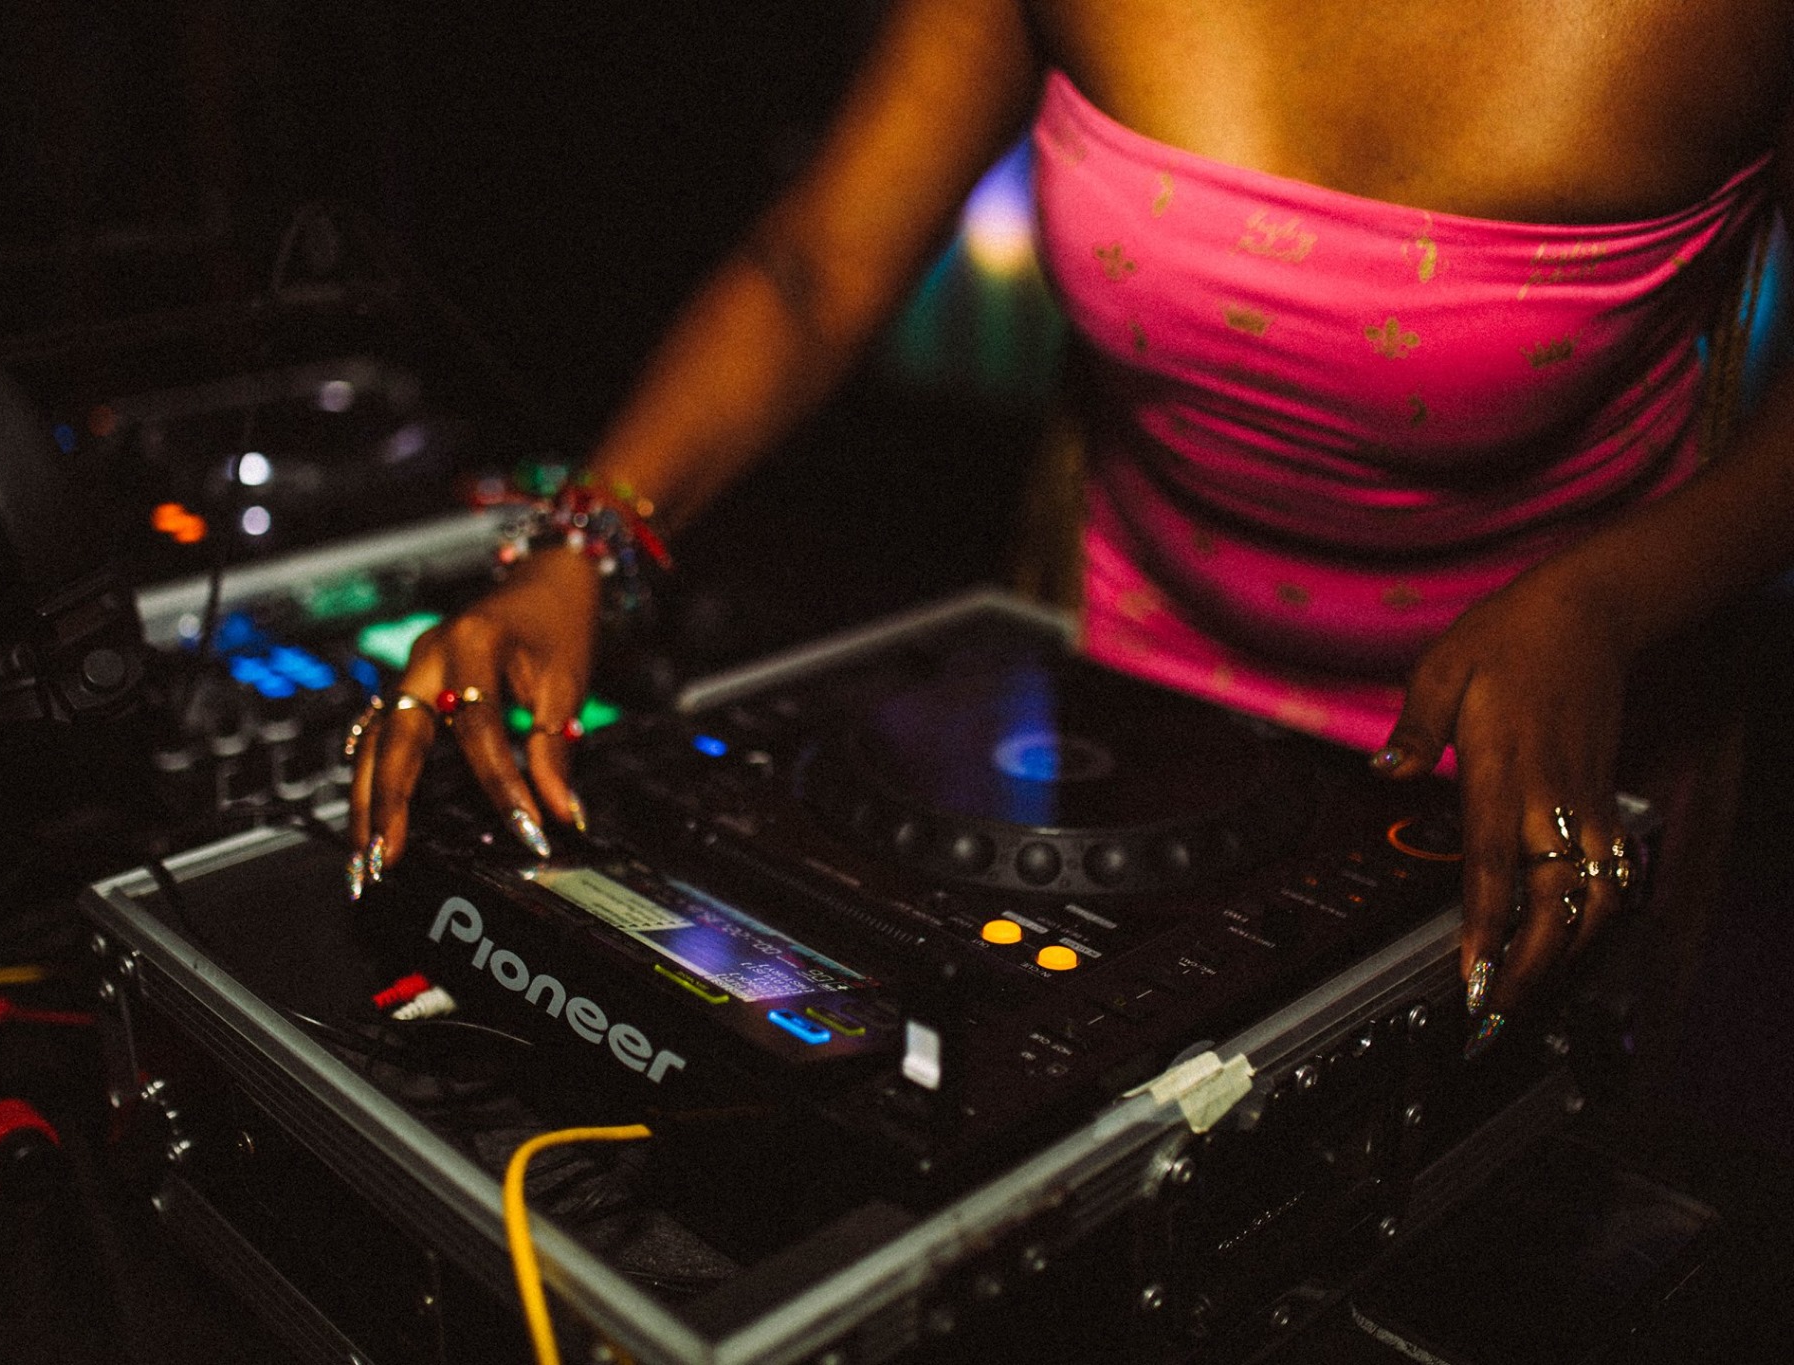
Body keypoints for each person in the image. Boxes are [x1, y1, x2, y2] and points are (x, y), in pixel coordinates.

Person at [348, 0, 1794, 1062]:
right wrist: (583, 541)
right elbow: (814, 268)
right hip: (1120, 674)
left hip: (1547, 731)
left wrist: (1600, 604)